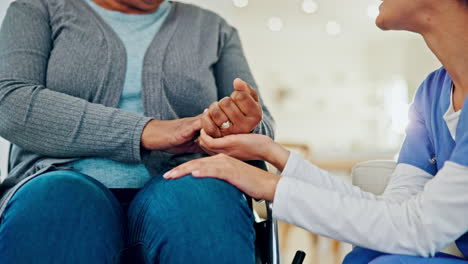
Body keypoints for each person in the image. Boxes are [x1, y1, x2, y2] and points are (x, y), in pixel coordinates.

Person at [165, 0, 468, 263]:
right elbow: (394, 214)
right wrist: (271, 153)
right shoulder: (431, 94)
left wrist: (269, 185)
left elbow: (417, 230)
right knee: (370, 253)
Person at [0, 0, 274, 263]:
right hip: (56, 179)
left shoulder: (214, 29)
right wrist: (145, 132)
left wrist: (240, 127)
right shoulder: (37, 9)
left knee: (200, 203)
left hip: (188, 182)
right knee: (59, 203)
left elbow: (262, 126)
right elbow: (10, 102)